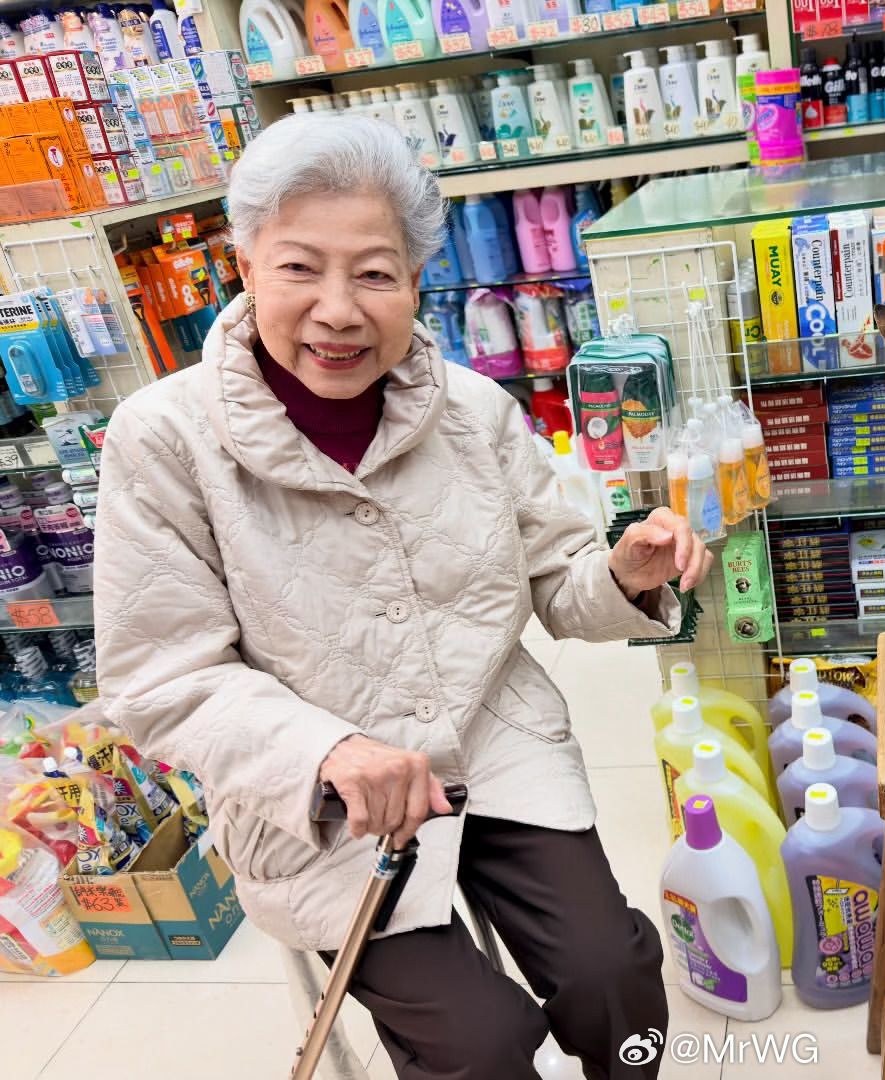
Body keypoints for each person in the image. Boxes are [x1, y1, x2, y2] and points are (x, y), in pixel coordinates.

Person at [93, 113, 713, 1080]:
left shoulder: (475, 411)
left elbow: (558, 584)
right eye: (300, 269)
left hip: (492, 741)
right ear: (244, 265)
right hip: (320, 805)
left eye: (375, 273)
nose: (339, 310)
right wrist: (325, 752)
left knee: (615, 975)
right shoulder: (162, 439)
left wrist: (624, 574)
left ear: (418, 280)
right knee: (479, 1044)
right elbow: (161, 675)